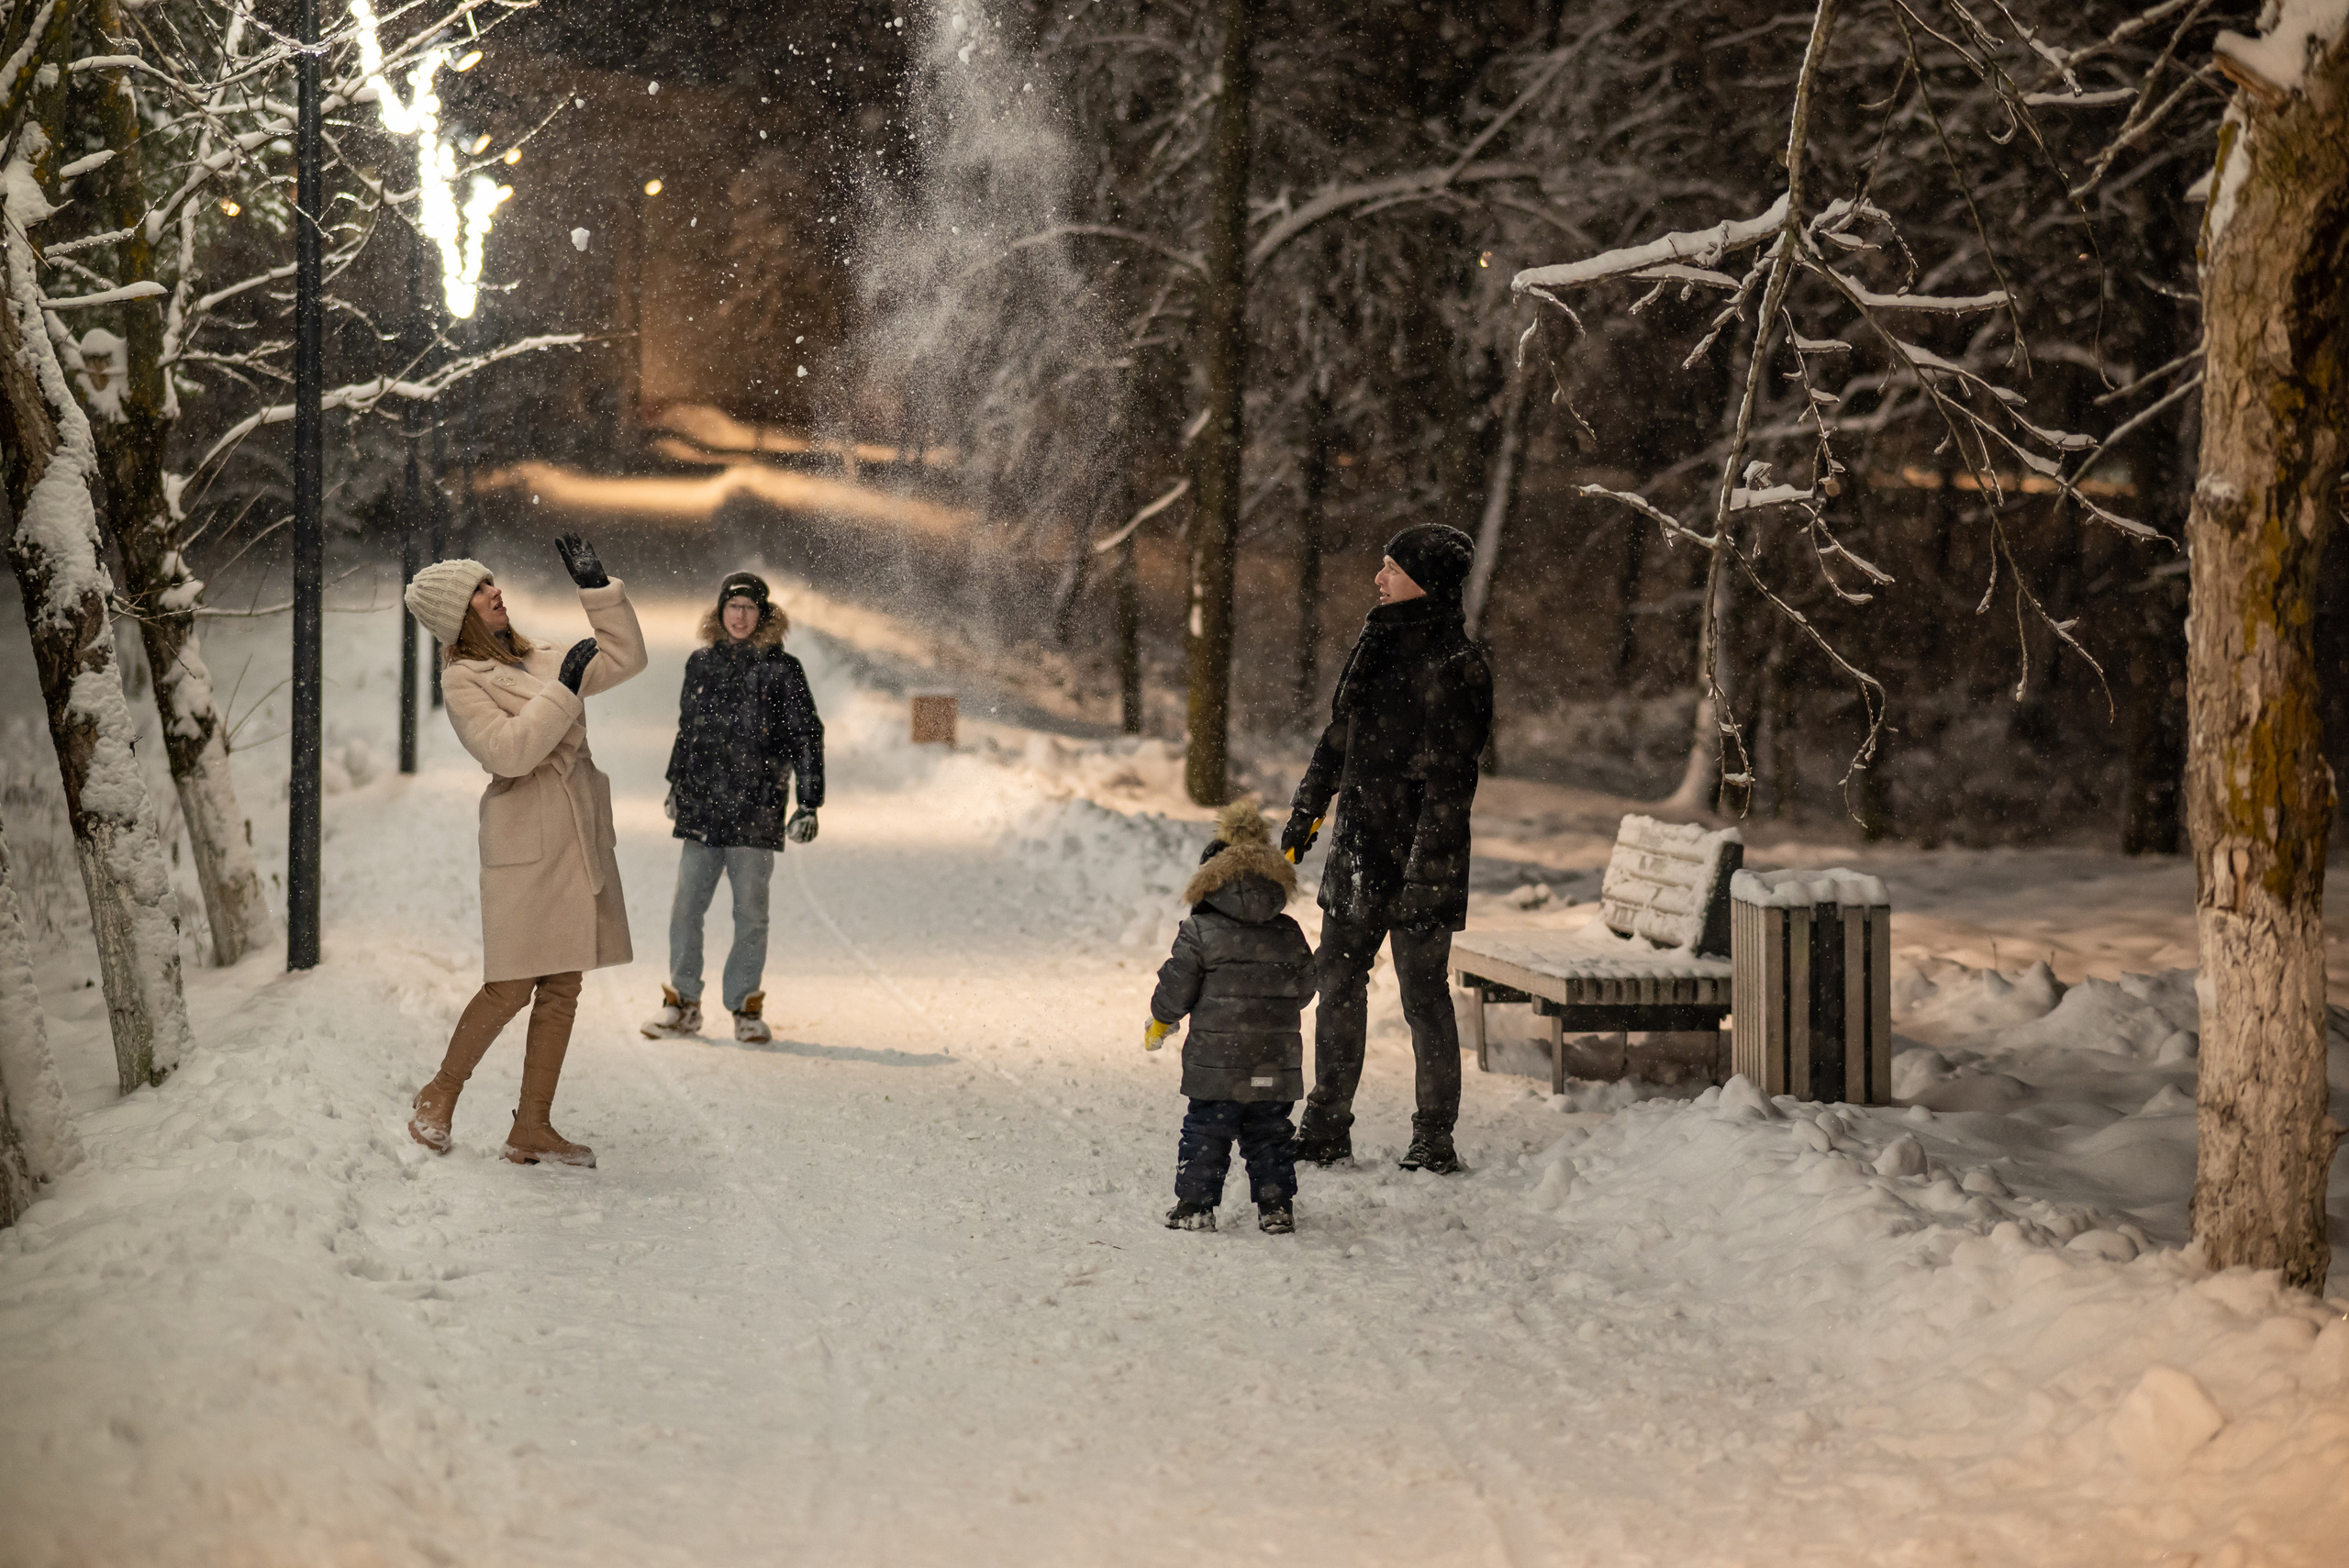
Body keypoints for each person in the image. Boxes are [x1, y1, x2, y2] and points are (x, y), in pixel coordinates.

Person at [403, 535, 647, 1168]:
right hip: (525, 838)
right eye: (479, 590)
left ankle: (532, 1126)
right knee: (510, 985)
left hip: (576, 832)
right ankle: (439, 1094)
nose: (495, 592)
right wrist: (564, 691)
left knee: (563, 984)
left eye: (491, 581)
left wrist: (598, 591)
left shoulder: (541, 655)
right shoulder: (463, 680)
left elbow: (627, 658)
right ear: (457, 614)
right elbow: (509, 753)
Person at [1283, 524, 1493, 1174]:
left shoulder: (1458, 666)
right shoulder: (1374, 642)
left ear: (1425, 581)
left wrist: (1422, 874)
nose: (1378, 578)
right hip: (1359, 849)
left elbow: (1450, 787)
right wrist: (1307, 809)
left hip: (1424, 857)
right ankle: (1325, 1126)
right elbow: (1338, 736)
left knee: (1423, 995)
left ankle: (1434, 1138)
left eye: (1392, 568)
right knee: (1338, 981)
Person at [640, 572, 825, 1045]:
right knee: (686, 909)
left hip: (756, 809)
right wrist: (675, 782)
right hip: (701, 807)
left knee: (751, 916)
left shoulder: (783, 671)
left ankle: (745, 1007)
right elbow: (688, 729)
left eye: (748, 608)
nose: (740, 617)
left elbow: (807, 736)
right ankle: (682, 1003)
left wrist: (808, 803)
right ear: (720, 611)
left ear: (762, 614)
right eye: (733, 607)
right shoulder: (701, 663)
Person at [1143, 797, 1319, 1234]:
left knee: (1207, 1130)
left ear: (1209, 881)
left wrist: (1161, 1021)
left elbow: (1176, 988)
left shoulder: (1199, 931)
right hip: (1272, 1061)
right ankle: (1276, 1207)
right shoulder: (1288, 931)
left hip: (1216, 1063)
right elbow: (1305, 988)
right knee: (1270, 1131)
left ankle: (1194, 1207)